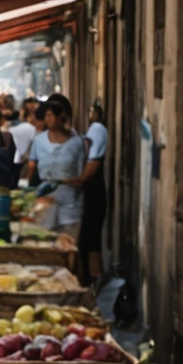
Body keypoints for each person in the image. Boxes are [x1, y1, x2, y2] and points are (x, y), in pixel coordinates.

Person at [25, 95, 90, 237]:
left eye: (51, 115)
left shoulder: (77, 143)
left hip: (71, 207)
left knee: (68, 249)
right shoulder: (39, 141)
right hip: (45, 206)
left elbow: (81, 174)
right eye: (46, 115)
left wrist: (64, 181)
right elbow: (32, 169)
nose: (48, 119)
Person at [80, 100, 109, 281]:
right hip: (92, 192)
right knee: (91, 240)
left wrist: (77, 180)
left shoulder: (97, 130)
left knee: (90, 240)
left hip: (93, 193)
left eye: (93, 112)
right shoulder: (94, 131)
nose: (91, 115)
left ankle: (94, 279)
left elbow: (94, 162)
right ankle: (93, 279)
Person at [10, 96, 42, 165]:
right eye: (28, 111)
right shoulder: (16, 128)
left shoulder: (43, 133)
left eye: (35, 112)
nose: (31, 115)